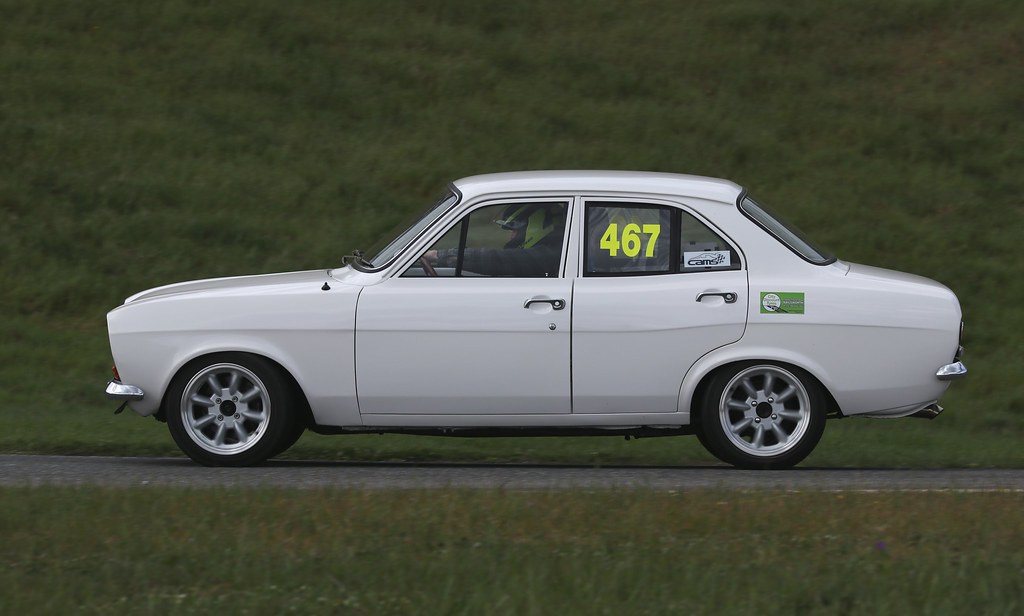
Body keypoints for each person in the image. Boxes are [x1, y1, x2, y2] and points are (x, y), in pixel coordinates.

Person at [423, 202, 566, 277]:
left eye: (514, 230)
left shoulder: (550, 257)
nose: (510, 237)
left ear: (536, 228)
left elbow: (499, 259)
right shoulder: (560, 254)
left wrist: (438, 255)